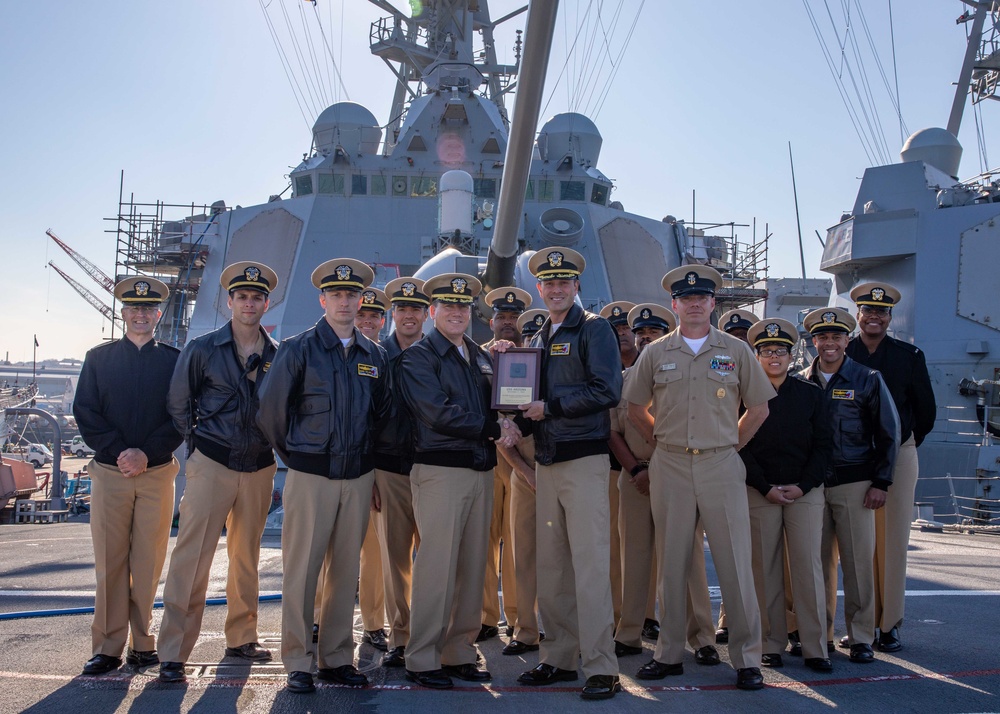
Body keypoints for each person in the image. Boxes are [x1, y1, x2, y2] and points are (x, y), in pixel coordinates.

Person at [624, 264, 774, 691]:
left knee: (734, 563)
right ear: (675, 304)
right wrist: (666, 441)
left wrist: (728, 445)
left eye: (701, 298)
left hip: (721, 464)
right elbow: (635, 408)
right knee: (671, 563)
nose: (693, 304)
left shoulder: (736, 350)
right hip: (669, 464)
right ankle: (669, 652)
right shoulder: (655, 352)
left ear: (712, 303)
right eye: (685, 298)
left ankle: (747, 657)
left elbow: (759, 408)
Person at [257, 258, 392, 693]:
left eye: (352, 295)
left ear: (361, 300)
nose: (345, 301)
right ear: (323, 299)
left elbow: (381, 417)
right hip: (311, 475)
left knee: (344, 571)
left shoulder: (375, 355)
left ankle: (336, 657)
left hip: (357, 478)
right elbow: (272, 412)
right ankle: (298, 659)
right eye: (337, 294)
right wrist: (299, 457)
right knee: (303, 569)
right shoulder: (298, 349)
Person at [398, 273, 522, 689]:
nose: (456, 313)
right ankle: (422, 658)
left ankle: (458, 652)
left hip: (479, 470)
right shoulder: (418, 357)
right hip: (440, 471)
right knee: (437, 566)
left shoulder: (480, 356)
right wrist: (493, 429)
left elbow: (506, 399)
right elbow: (436, 411)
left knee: (472, 567)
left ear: (471, 314)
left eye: (463, 307)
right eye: (448, 306)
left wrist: (509, 359)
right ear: (433, 312)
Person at [157, 262, 280, 683]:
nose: (249, 303)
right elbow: (178, 403)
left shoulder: (278, 355)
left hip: (260, 464)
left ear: (267, 302)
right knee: (192, 557)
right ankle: (173, 651)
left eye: (257, 297)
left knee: (247, 556)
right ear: (229, 301)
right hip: (212, 461)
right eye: (242, 296)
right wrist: (198, 446)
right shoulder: (203, 349)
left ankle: (242, 636)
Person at [516, 247, 624, 701]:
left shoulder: (593, 329)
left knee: (591, 564)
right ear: (538, 289)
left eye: (564, 282)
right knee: (554, 566)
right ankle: (558, 657)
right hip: (548, 460)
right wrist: (512, 424)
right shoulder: (539, 336)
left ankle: (602, 666)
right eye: (549, 283)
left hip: (582, 460)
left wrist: (550, 408)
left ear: (576, 286)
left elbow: (607, 389)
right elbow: (527, 399)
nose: (556, 289)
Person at [74, 276, 182, 676]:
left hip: (155, 473)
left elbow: (181, 415)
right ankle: (107, 646)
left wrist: (146, 453)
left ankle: (143, 644)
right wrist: (122, 452)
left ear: (158, 314)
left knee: (148, 560)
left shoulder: (173, 360)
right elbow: (85, 411)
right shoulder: (98, 359)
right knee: (110, 561)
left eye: (148, 309)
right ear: (123, 313)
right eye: (133, 308)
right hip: (110, 472)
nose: (140, 314)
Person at [800, 307, 899, 664]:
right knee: (817, 563)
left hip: (855, 482)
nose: (829, 343)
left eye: (836, 337)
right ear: (814, 342)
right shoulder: (801, 381)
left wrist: (882, 481)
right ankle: (820, 635)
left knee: (857, 563)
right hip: (811, 487)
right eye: (822, 337)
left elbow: (889, 433)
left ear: (846, 340)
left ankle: (860, 637)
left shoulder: (868, 378)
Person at [846, 283, 936, 653]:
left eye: (881, 312)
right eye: (868, 311)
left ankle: (888, 625)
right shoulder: (841, 350)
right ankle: (856, 625)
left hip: (897, 454)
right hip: (849, 458)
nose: (874, 317)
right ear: (858, 315)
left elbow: (925, 411)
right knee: (850, 546)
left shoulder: (908, 357)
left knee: (892, 543)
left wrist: (902, 446)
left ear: (889, 317)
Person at [741, 318, 833, 673]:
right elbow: (739, 446)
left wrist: (803, 486)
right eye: (766, 351)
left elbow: (824, 446)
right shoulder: (744, 394)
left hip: (803, 491)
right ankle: (770, 642)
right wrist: (764, 486)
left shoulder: (811, 394)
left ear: (791, 354)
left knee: (808, 569)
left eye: (780, 350)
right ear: (757, 356)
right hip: (759, 490)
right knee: (764, 569)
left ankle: (815, 645)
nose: (774, 356)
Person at [372, 277, 429, 668]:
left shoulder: (438, 354)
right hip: (389, 471)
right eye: (402, 309)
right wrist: (371, 473)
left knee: (434, 558)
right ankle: (400, 636)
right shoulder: (374, 357)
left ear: (426, 314)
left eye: (416, 309)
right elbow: (364, 418)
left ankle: (429, 635)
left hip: (433, 469)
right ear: (393, 313)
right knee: (395, 560)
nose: (409, 315)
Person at [479, 287, 532, 644]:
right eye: (502, 317)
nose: (508, 323)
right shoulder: (475, 356)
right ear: (491, 321)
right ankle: (484, 617)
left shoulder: (536, 355)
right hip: (485, 457)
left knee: (517, 543)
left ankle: (516, 616)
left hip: (521, 456)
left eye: (514, 318)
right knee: (483, 540)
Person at [497, 308, 548, 656]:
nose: (535, 344)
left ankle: (564, 630)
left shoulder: (564, 371)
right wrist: (525, 471)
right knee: (523, 553)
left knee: (569, 556)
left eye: (539, 338)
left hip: (563, 464)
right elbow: (501, 428)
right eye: (529, 337)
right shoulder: (512, 371)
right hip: (525, 468)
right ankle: (526, 630)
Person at [355, 286, 390, 651]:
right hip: (337, 466)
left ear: (384, 320)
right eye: (362, 315)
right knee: (332, 550)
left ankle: (374, 623)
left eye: (373, 316)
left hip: (375, 467)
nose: (367, 322)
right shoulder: (336, 353)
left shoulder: (386, 358)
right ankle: (318, 618)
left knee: (375, 552)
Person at [599, 300, 635, 627]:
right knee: (612, 546)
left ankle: (647, 615)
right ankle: (615, 615)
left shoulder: (652, 366)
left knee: (649, 549)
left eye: (626, 327)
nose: (621, 334)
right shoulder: (600, 366)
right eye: (615, 329)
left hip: (653, 469)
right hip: (611, 469)